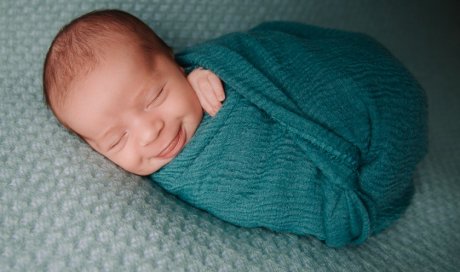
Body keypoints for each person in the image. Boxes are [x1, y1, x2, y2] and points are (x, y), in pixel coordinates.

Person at [43, 9, 428, 247]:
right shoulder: (180, 174)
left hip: (358, 91)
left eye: (155, 96)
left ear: (175, 61)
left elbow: (249, 68)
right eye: (117, 139)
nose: (149, 132)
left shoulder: (204, 71)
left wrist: (208, 72)